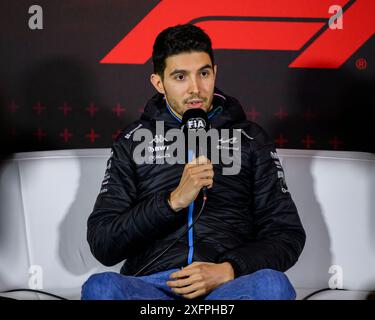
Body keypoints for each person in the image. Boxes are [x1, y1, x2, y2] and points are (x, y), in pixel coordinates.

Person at [81, 24, 306, 300]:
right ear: (158, 83)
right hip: (152, 288)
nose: (196, 89)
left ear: (215, 73)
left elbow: (286, 234)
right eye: (180, 77)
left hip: (225, 288)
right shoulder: (132, 139)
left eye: (204, 73)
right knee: (101, 288)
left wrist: (229, 269)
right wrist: (172, 201)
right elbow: (104, 242)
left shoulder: (250, 138)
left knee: (273, 287)